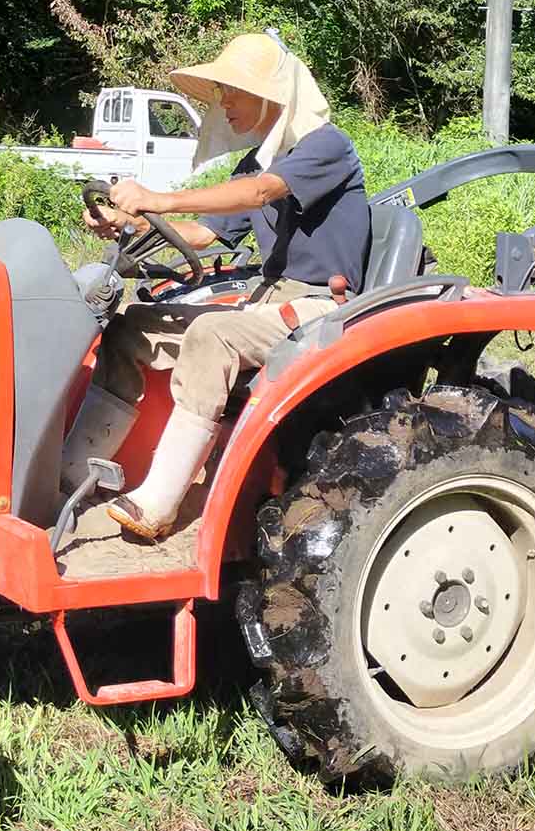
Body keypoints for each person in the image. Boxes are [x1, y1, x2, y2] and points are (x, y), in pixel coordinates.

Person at [61, 32, 369, 540]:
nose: (223, 104)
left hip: (321, 306)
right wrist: (128, 221)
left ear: (273, 97)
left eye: (234, 92)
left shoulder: (325, 146)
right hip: (268, 300)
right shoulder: (255, 163)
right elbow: (207, 232)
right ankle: (70, 477)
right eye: (221, 92)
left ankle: (157, 505)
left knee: (212, 335)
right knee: (131, 326)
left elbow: (260, 192)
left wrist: (159, 199)